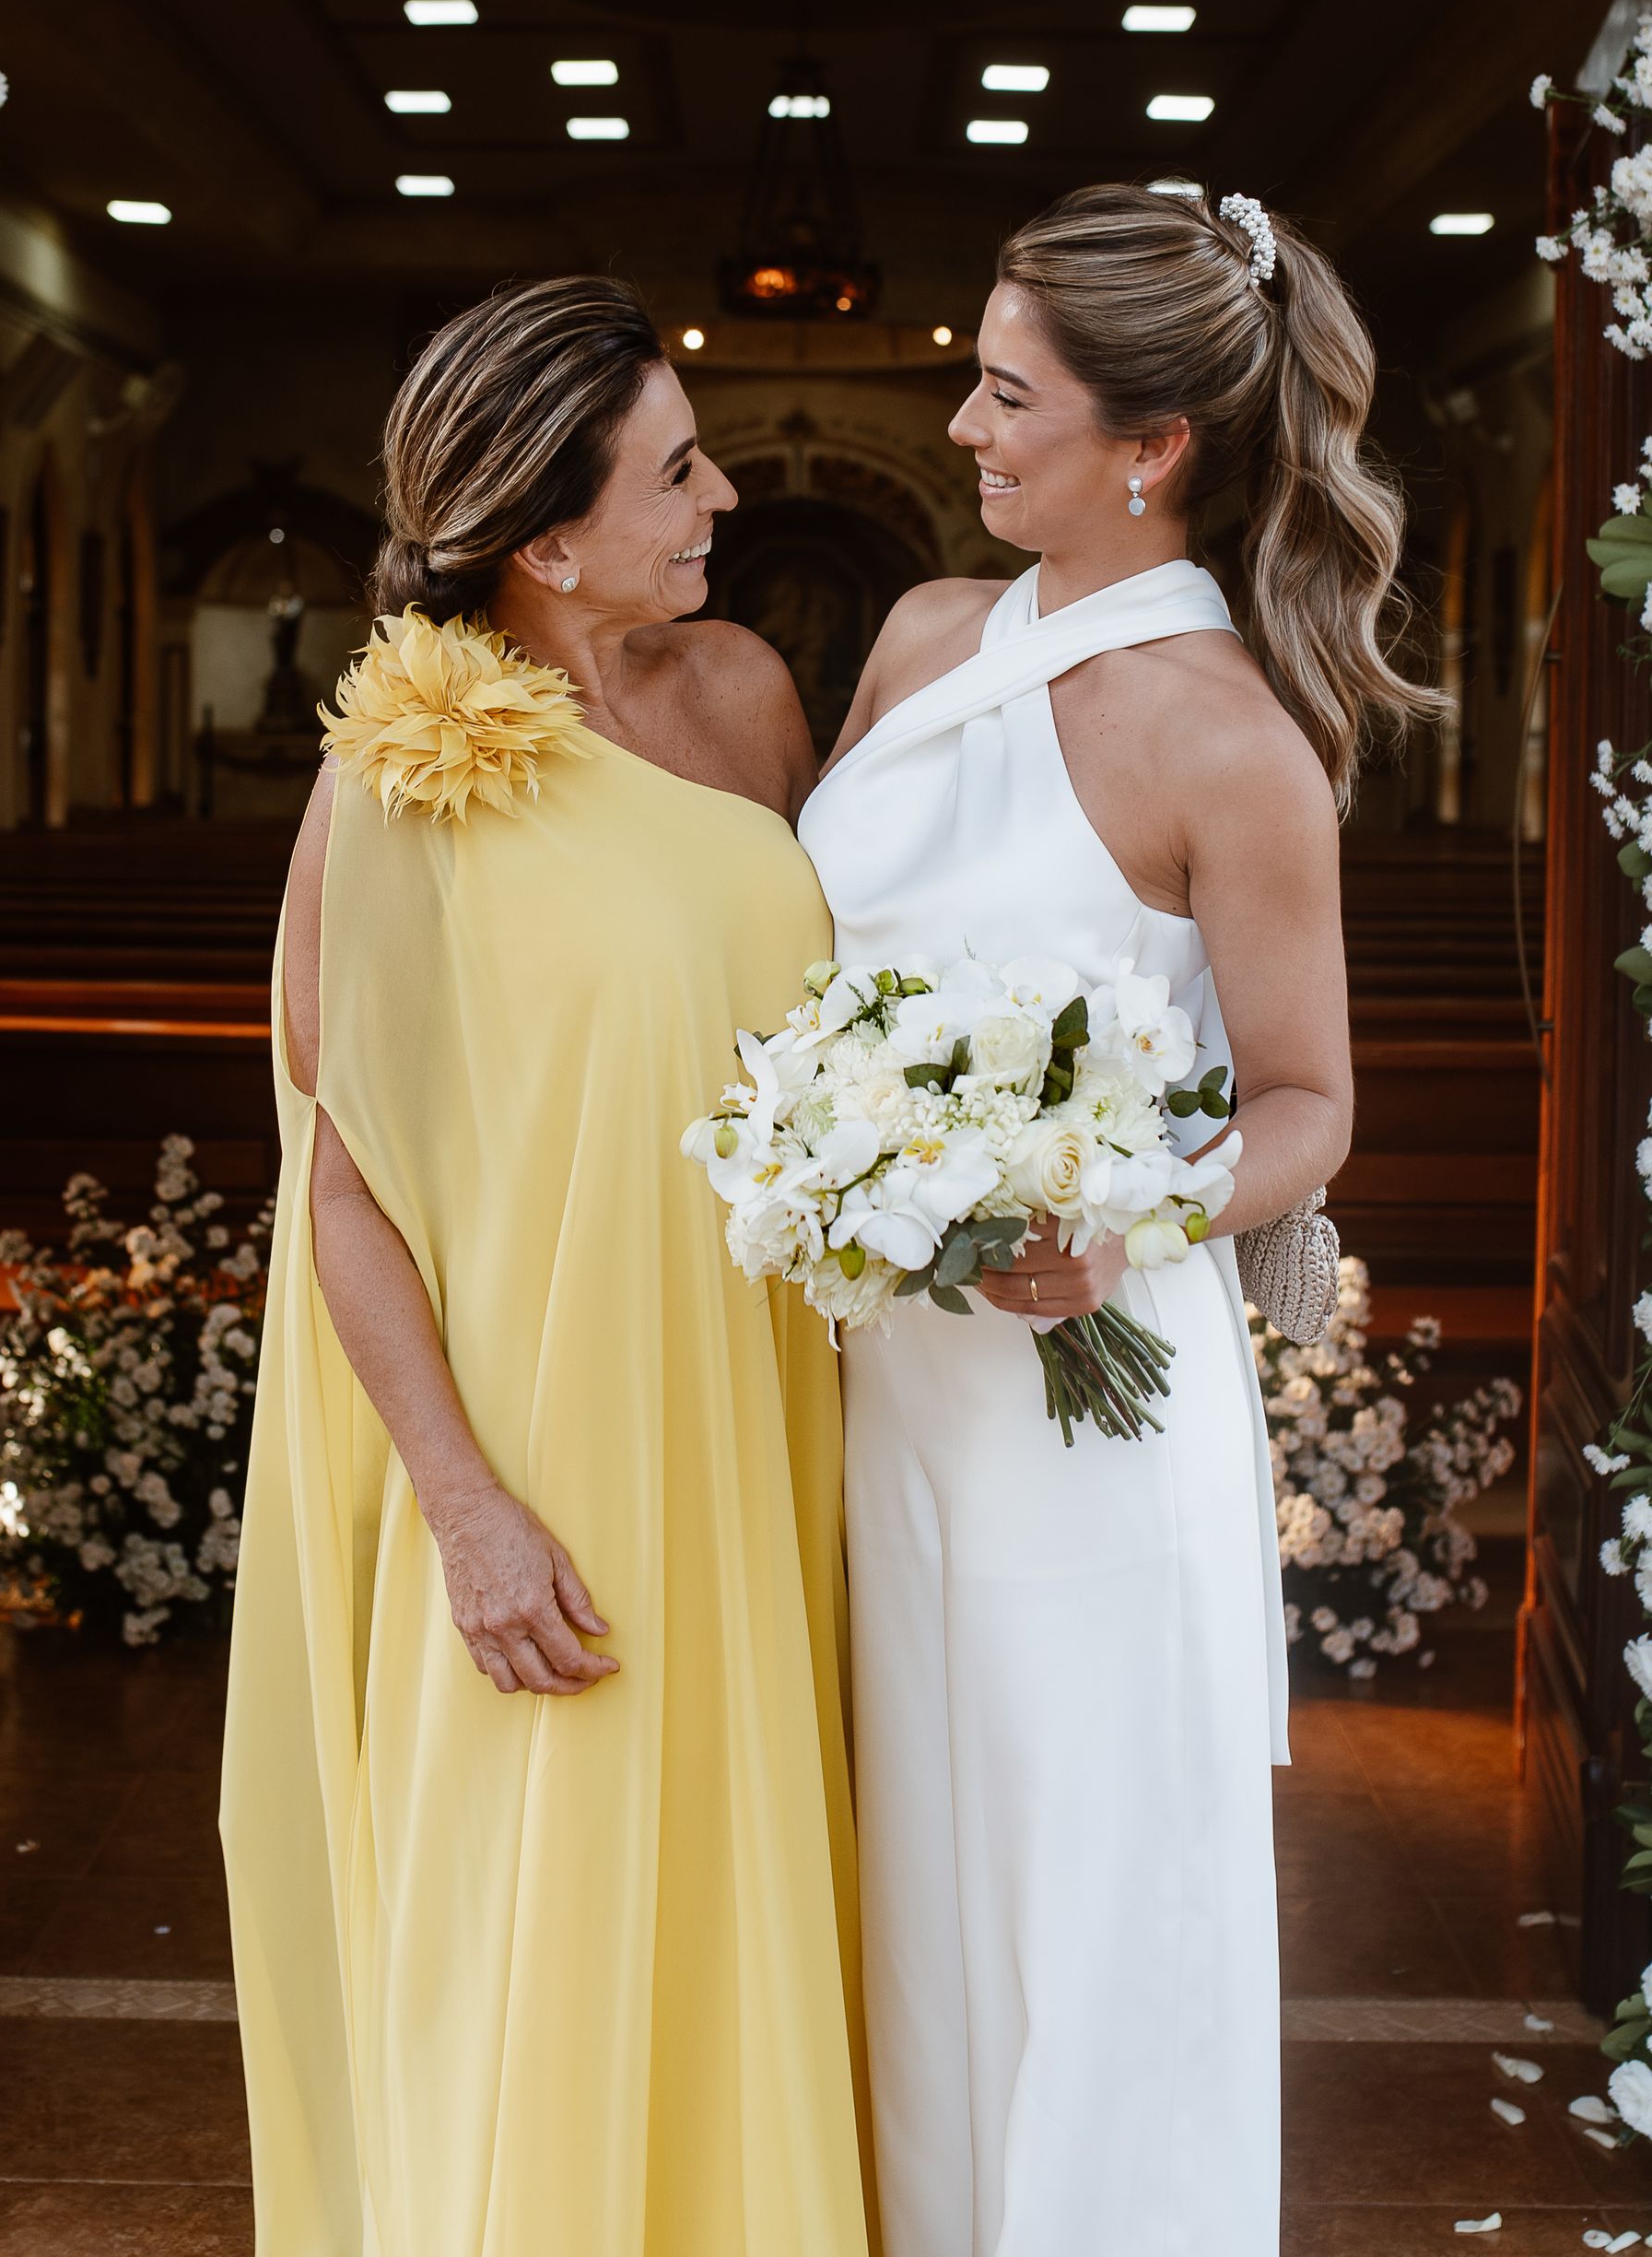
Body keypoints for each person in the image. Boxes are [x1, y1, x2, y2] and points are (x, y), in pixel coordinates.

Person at [797, 184, 1439, 2257]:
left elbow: (1308, 1106)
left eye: (1009, 396)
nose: (965, 427)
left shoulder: (1232, 741)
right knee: (913, 1887)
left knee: (1089, 1909)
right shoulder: (922, 638)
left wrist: (1124, 1213)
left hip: (1091, 1398)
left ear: (1152, 444)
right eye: (975, 381)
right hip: (885, 1387)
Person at [221, 276, 875, 2257]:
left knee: (743, 1874)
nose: (725, 495)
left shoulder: (745, 692)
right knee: (547, 1908)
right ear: (546, 540)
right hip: (542, 1438)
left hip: (760, 1407)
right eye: (676, 472)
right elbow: (345, 1186)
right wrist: (466, 1507)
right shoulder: (398, 776)